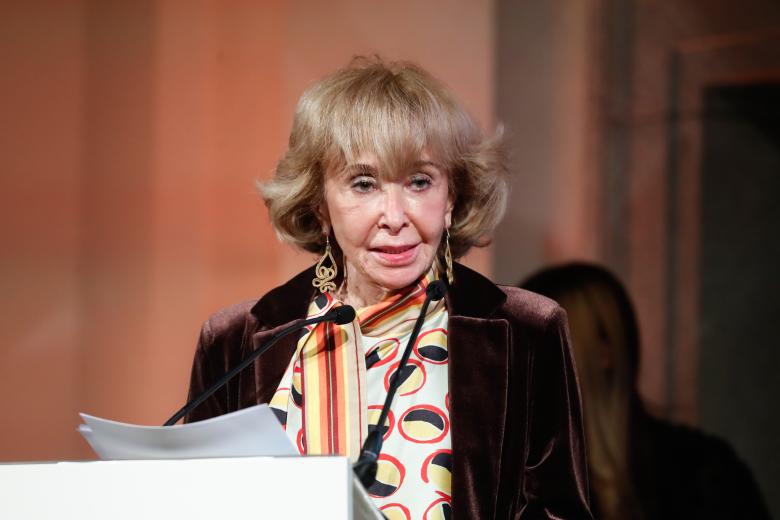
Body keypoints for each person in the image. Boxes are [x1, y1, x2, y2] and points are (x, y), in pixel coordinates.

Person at [184, 57, 592, 519]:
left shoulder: (526, 330)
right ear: (319, 203)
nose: (395, 216)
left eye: (419, 181)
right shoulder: (235, 340)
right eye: (364, 183)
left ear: (451, 198)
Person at [520, 263, 770, 519]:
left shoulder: (702, 471)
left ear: (605, 351)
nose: (521, 363)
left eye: (543, 341)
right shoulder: (520, 480)